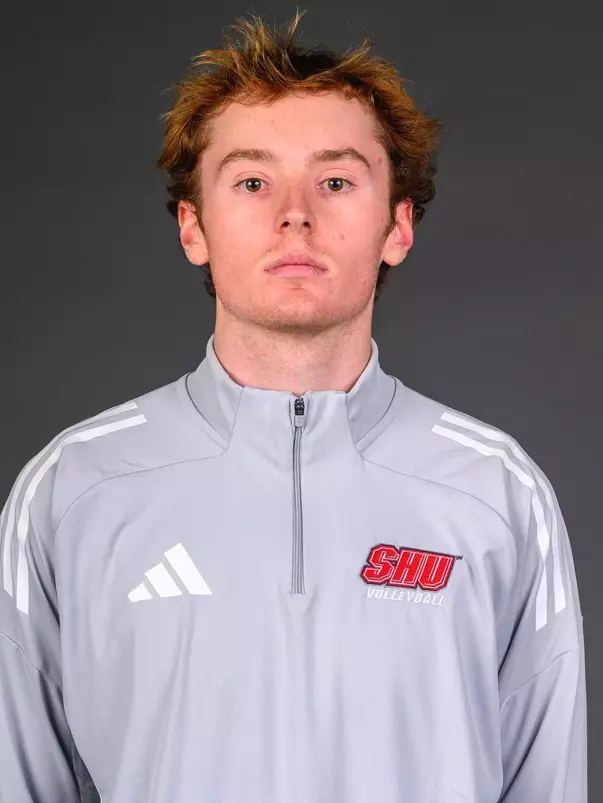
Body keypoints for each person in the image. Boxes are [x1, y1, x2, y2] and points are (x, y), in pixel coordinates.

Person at [0, 10, 586, 803]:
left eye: (336, 181)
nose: (295, 214)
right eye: (251, 181)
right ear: (192, 227)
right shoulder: (73, 488)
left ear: (397, 226)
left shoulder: (496, 491)